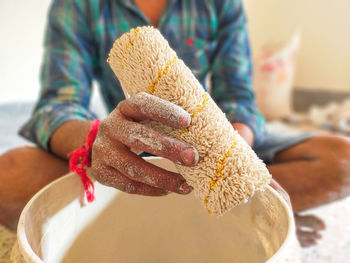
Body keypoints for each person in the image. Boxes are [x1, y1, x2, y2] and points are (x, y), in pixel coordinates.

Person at [1, 0, 349, 248]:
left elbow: (238, 99)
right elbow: (58, 105)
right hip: (129, 140)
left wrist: (232, 160)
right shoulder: (77, 5)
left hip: (219, 136)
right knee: (8, 176)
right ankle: (224, 216)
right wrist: (96, 140)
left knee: (342, 160)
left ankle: (250, 209)